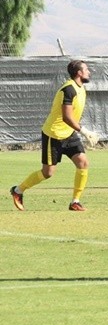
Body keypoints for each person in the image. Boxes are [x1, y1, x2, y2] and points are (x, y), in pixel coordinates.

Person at [10, 60, 99, 212]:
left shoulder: (81, 88)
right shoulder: (68, 89)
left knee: (83, 163)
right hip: (54, 134)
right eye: (86, 69)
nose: (89, 72)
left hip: (69, 134)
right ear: (79, 73)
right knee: (48, 173)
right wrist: (85, 131)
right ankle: (18, 191)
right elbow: (67, 117)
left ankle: (75, 202)